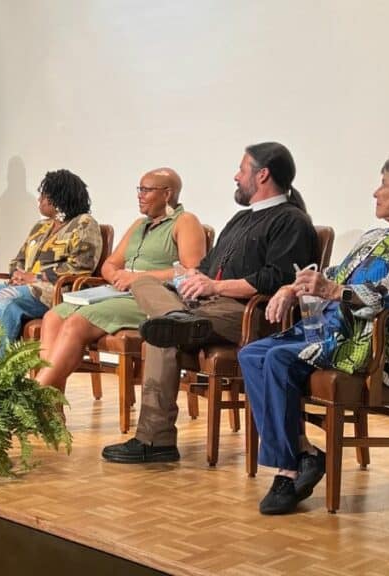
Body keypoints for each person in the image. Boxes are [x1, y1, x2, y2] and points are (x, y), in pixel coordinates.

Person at [240, 148, 389, 515]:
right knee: (251, 353)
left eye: (384, 185)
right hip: (338, 332)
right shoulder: (374, 238)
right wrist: (291, 288)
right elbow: (333, 277)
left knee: (277, 358)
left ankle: (288, 469)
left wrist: (333, 292)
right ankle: (305, 453)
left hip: (378, 345)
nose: (375, 192)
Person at [101, 142, 317, 464]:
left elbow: (275, 279)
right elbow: (205, 267)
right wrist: (189, 282)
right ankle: (176, 318)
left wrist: (215, 285)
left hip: (247, 314)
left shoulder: (291, 221)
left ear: (262, 175)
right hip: (202, 308)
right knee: (149, 289)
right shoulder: (240, 219)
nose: (236, 176)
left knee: (162, 333)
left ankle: (154, 439)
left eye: (242, 170)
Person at [36, 168, 206, 392]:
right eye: (139, 189)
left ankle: (33, 395)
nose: (140, 195)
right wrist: (116, 276)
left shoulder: (185, 222)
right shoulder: (139, 225)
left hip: (154, 298)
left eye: (146, 190)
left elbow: (191, 271)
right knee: (53, 316)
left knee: (76, 323)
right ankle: (51, 407)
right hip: (119, 293)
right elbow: (111, 263)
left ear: (167, 194)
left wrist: (136, 278)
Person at [0, 169, 103, 359]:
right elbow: (19, 259)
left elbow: (81, 267)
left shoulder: (84, 223)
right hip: (25, 288)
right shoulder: (41, 226)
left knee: (5, 298)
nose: (39, 199)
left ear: (58, 197)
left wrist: (36, 277)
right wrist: (17, 273)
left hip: (57, 291)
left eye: (44, 195)